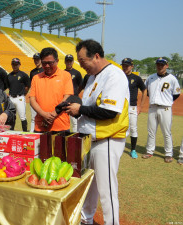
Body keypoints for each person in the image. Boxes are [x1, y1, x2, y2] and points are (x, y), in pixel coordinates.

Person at [66, 39, 129, 225]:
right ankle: (86, 219)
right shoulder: (92, 77)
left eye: (82, 60)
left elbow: (110, 111)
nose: (81, 65)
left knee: (106, 189)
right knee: (89, 184)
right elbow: (88, 107)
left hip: (107, 139)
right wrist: (74, 109)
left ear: (96, 56)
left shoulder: (114, 75)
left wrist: (81, 110)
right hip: (89, 138)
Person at [142, 57, 181, 163]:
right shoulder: (151, 78)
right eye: (158, 64)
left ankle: (168, 154)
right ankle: (149, 151)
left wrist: (167, 101)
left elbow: (176, 94)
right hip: (153, 107)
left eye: (162, 65)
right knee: (151, 131)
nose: (160, 66)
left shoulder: (172, 79)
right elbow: (147, 92)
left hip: (165, 108)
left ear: (167, 66)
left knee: (166, 132)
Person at [30, 47, 74, 132]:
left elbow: (67, 97)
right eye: (44, 63)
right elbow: (32, 99)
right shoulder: (36, 78)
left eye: (50, 63)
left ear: (57, 61)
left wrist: (53, 114)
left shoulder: (66, 75)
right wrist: (43, 114)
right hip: (40, 125)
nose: (47, 66)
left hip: (61, 125)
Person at [121, 58, 146, 159]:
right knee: (121, 127)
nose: (125, 67)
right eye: (123, 65)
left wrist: (140, 106)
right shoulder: (119, 76)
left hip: (132, 107)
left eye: (127, 65)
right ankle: (120, 148)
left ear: (132, 66)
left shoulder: (136, 78)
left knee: (133, 128)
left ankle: (133, 150)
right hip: (121, 107)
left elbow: (144, 90)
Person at [7, 58, 31, 131]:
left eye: (16, 64)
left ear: (19, 65)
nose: (15, 66)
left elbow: (27, 85)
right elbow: (8, 86)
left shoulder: (23, 75)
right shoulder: (9, 76)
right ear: (11, 65)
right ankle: (11, 131)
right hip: (11, 98)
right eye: (13, 64)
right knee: (12, 116)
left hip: (19, 98)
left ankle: (25, 132)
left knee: (22, 116)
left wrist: (23, 93)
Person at [64, 54, 83, 132]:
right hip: (64, 98)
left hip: (74, 98)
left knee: (75, 121)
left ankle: (74, 136)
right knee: (64, 119)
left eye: (70, 61)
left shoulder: (77, 73)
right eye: (67, 61)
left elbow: (80, 86)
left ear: (73, 62)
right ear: (65, 62)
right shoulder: (62, 73)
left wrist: (75, 93)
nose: (69, 63)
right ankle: (65, 134)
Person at [29, 53, 44, 132]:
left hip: (43, 97)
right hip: (35, 97)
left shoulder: (45, 70)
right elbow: (32, 85)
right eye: (35, 59)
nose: (36, 61)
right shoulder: (32, 72)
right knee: (33, 116)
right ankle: (32, 131)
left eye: (37, 59)